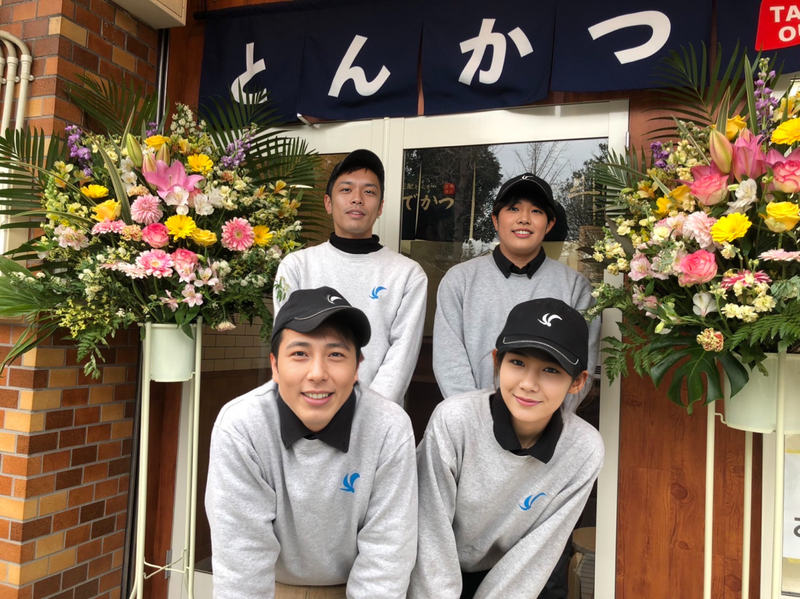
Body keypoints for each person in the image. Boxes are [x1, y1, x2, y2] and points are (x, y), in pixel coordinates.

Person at [206, 286, 418, 599]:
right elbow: (242, 563)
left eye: (336, 355)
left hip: (356, 586)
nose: (317, 374)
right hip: (272, 586)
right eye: (300, 354)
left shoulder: (388, 427)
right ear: (275, 366)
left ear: (357, 367)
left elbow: (387, 554)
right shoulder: (241, 426)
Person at [409, 298, 604, 599]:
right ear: (497, 361)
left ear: (577, 382)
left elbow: (535, 555)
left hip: (505, 575)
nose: (528, 383)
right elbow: (430, 532)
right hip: (428, 571)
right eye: (517, 363)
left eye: (550, 370)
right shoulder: (455, 420)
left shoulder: (583, 450)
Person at [432, 173, 599, 412]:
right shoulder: (460, 280)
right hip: (473, 421)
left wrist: (545, 422)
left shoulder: (575, 287)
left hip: (546, 425)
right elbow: (449, 361)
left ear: (549, 224)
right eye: (513, 209)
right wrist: (473, 419)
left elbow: (582, 365)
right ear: (495, 220)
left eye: (536, 211)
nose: (524, 219)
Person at [274, 149, 427, 406]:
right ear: (328, 203)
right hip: (309, 407)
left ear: (380, 207)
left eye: (369, 192)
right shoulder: (296, 266)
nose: (357, 198)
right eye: (346, 189)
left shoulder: (407, 274)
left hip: (377, 415)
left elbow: (402, 355)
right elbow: (288, 344)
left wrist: (368, 412)